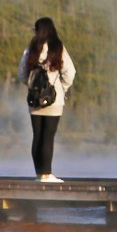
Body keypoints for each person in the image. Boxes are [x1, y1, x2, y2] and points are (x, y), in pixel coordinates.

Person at [18, 17, 76, 183]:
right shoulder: (57, 48)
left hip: (34, 99)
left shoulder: (31, 49)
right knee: (48, 136)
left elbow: (21, 73)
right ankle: (47, 175)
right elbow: (70, 72)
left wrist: (31, 87)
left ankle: (39, 174)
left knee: (37, 135)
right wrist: (62, 88)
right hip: (54, 99)